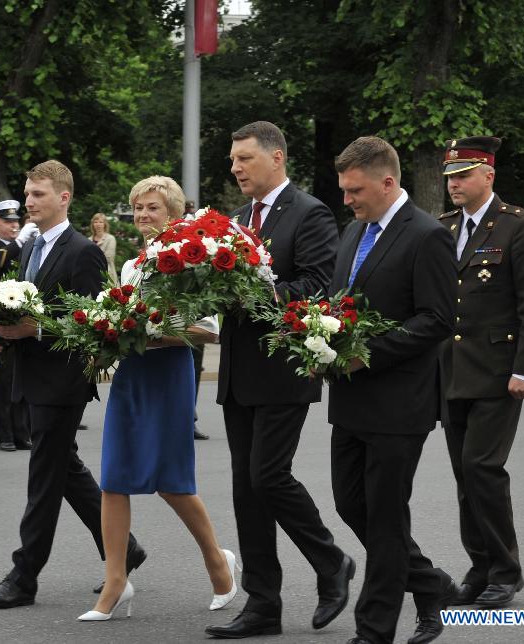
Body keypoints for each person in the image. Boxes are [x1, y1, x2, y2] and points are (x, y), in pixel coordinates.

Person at [0, 160, 145, 609]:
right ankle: (126, 550)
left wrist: (36, 330)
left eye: (39, 195)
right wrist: (1, 335)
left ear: (64, 198)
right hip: (30, 376)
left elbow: (91, 323)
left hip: (61, 382)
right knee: (64, 470)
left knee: (43, 480)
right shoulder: (31, 248)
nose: (29, 202)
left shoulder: (82, 251)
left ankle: (23, 577)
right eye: (28, 194)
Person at [207, 121, 352, 639]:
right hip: (239, 372)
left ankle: (331, 561)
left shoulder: (309, 213)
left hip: (285, 368)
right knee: (246, 490)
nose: (236, 167)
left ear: (277, 158)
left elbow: (318, 284)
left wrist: (256, 297)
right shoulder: (235, 219)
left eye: (245, 158)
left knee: (269, 476)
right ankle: (262, 605)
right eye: (233, 159)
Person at [79, 176, 235, 623]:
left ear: (173, 214)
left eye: (152, 208)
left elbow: (209, 329)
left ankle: (218, 563)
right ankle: (115, 581)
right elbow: (120, 320)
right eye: (138, 209)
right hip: (133, 375)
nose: (143, 216)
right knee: (114, 477)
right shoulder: (130, 267)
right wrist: (108, 331)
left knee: (172, 481)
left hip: (169, 374)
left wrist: (149, 332)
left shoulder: (193, 262)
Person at [329, 137, 459, 644]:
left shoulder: (427, 235)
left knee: (384, 517)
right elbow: (339, 300)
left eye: (354, 190)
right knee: (350, 504)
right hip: (351, 396)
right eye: (343, 191)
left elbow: (436, 319)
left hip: (399, 402)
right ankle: (430, 583)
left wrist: (371, 352)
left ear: (388, 182)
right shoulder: (352, 231)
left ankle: (374, 629)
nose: (347, 200)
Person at [439, 136, 524, 608]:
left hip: (498, 371)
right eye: (450, 176)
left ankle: (506, 570)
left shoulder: (517, 226)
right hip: (452, 372)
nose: (454, 184)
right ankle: (480, 566)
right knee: (465, 475)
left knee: (482, 468)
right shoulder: (444, 228)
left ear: (489, 175)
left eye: (463, 175)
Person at [0, 199, 32, 452]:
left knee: (21, 381)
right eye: (7, 222)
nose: (14, 226)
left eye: (16, 221)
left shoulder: (23, 247)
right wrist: (20, 241)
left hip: (21, 320)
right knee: (2, 383)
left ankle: (22, 433)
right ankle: (5, 435)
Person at [89, 212, 118, 286]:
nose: (98, 224)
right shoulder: (88, 240)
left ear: (105, 224)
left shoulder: (110, 239)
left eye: (101, 222)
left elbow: (108, 258)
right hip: (90, 275)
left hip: (107, 275)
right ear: (92, 224)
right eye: (95, 222)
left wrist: (91, 257)